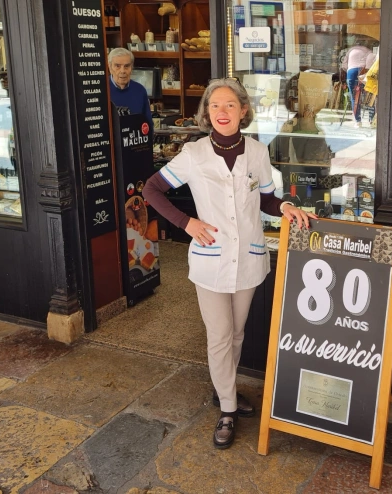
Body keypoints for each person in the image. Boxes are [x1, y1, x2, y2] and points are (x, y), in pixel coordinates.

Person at [143, 79, 314, 449]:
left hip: (249, 257)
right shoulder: (194, 154)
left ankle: (225, 390)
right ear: (207, 113)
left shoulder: (257, 152)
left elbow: (266, 199)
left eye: (230, 105)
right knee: (220, 335)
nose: (222, 112)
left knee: (236, 334)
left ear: (243, 111)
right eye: (215, 106)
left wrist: (286, 206)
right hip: (211, 260)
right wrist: (186, 223)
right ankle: (228, 409)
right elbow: (151, 190)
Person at [107, 48, 152, 126]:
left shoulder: (140, 91)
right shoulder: (101, 89)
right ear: (110, 67)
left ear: (132, 68)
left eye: (127, 66)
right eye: (117, 66)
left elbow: (148, 124)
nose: (122, 71)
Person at [342, 40, 375, 127]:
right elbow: (370, 63)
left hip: (351, 72)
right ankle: (371, 120)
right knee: (369, 96)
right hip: (363, 72)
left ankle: (358, 121)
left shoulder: (350, 50)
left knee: (354, 97)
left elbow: (344, 65)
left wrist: (349, 68)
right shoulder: (368, 51)